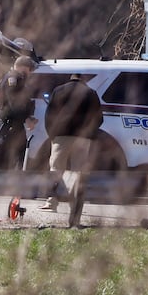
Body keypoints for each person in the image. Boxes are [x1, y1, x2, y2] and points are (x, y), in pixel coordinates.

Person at [42, 74, 105, 225]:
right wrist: (90, 133)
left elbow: (49, 114)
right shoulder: (90, 93)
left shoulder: (58, 91)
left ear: (70, 78)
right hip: (83, 138)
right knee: (78, 172)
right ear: (83, 80)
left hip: (61, 136)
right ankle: (74, 205)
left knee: (56, 168)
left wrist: (52, 134)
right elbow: (99, 118)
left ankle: (51, 201)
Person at [0, 56, 38, 170]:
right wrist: (26, 119)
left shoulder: (19, 79)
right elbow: (14, 103)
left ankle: (14, 181)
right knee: (2, 156)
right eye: (29, 70)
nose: (30, 73)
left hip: (15, 124)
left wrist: (28, 116)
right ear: (23, 67)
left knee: (18, 155)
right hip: (9, 124)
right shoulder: (14, 78)